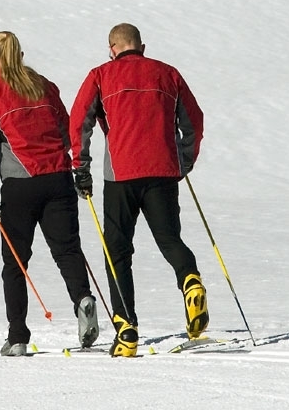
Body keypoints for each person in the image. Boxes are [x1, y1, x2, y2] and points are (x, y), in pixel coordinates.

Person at [69, 23, 208, 358]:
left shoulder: (101, 75)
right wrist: (183, 159)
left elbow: (79, 120)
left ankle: (126, 328)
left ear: (112, 48)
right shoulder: (167, 74)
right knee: (169, 238)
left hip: (120, 176)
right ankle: (190, 279)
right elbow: (194, 120)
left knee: (117, 249)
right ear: (141, 47)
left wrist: (80, 166)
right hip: (162, 172)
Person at [0, 30, 99, 357]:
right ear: (21, 54)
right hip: (58, 179)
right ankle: (83, 300)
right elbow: (66, 127)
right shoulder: (45, 86)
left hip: (20, 185)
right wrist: (74, 167)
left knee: (16, 263)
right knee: (68, 251)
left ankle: (17, 337)